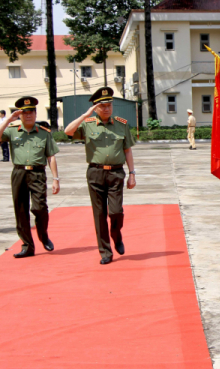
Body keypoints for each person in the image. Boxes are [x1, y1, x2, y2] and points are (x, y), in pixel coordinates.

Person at [64, 87, 136, 265]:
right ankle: (105, 251)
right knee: (99, 214)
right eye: (102, 106)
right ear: (95, 108)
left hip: (116, 172)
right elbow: (68, 131)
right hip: (95, 173)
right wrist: (85, 114)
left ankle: (116, 234)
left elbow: (127, 150)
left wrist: (132, 173)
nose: (106, 109)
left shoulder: (121, 124)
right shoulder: (87, 124)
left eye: (109, 105)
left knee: (116, 211)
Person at [0, 97, 60, 258]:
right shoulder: (12, 130)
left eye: (31, 113)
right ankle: (27, 245)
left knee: (40, 208)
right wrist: (8, 120)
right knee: (20, 210)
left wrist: (56, 179)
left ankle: (43, 235)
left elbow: (51, 157)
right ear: (20, 115)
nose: (28, 116)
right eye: (24, 113)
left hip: (37, 173)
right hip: (19, 173)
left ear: (35, 114)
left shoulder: (44, 133)